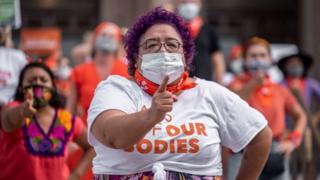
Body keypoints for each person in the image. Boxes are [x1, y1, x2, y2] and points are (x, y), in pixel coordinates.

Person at [88, 8, 271, 179]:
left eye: (172, 44)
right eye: (151, 45)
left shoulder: (209, 92)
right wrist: (151, 116)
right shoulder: (115, 89)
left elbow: (260, 136)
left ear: (185, 55)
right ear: (136, 57)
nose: (163, 50)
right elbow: (111, 136)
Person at [228, 37, 307, 180]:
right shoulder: (235, 85)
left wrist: (293, 141)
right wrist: (253, 84)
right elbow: (232, 107)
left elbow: (301, 116)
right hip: (243, 152)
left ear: (270, 59)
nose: (258, 60)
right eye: (253, 56)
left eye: (262, 55)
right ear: (245, 60)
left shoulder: (280, 90)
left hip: (275, 153)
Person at [0, 62, 94, 180]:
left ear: (53, 87)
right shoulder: (11, 108)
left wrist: (75, 175)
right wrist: (22, 111)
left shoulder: (66, 120)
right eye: (31, 81)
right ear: (21, 88)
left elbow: (92, 147)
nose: (38, 83)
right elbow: (9, 118)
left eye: (43, 80)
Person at [67, 21, 129, 124]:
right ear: (95, 38)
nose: (107, 38)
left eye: (111, 36)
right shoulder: (79, 71)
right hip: (86, 133)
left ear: (118, 42)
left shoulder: (128, 70)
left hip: (119, 132)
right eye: (103, 34)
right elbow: (70, 111)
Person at [176, 0, 225, 83]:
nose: (188, 5)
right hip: (178, 84)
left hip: (203, 83)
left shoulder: (209, 30)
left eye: (192, 2)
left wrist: (220, 83)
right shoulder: (173, 29)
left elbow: (218, 60)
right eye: (184, 2)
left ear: (199, 3)